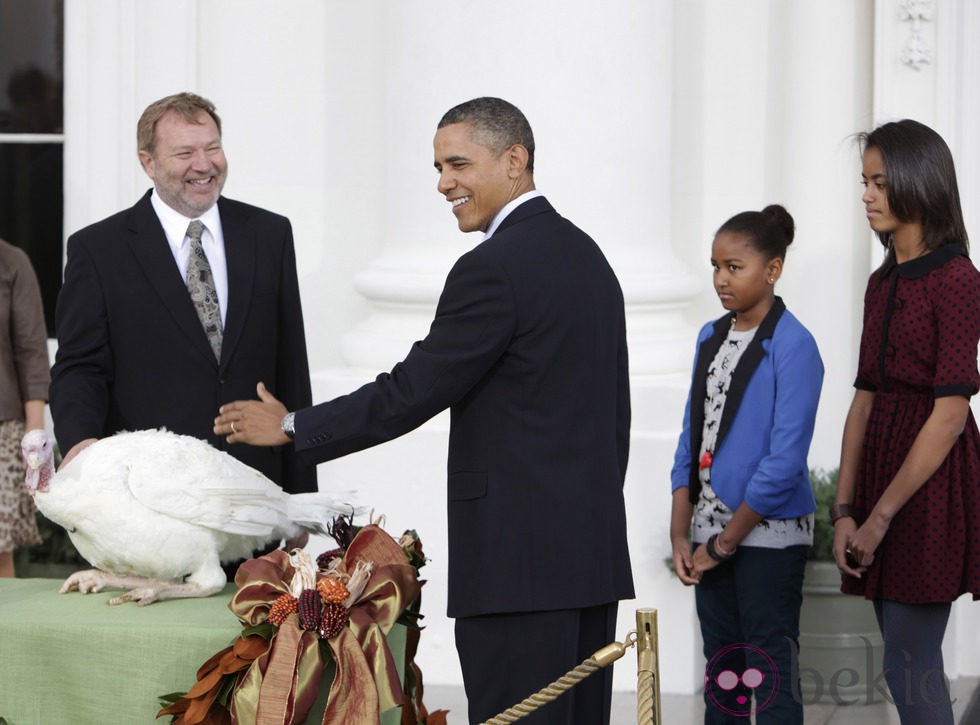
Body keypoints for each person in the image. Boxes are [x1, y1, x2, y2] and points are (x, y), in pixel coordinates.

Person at [215, 97, 634, 725]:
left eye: (458, 164)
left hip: (516, 568)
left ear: (514, 160)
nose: (444, 184)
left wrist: (294, 426)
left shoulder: (493, 267)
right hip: (585, 561)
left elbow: (411, 390)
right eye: (438, 167)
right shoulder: (588, 255)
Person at [49, 92, 315, 503]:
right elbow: (80, 367)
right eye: (185, 153)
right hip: (148, 499)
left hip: (256, 493)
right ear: (148, 162)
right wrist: (81, 446)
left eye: (213, 148)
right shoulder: (99, 250)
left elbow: (291, 366)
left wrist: (301, 494)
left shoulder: (269, 234)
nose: (204, 165)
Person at [832, 119, 980, 724]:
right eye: (864, 182)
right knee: (901, 661)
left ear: (920, 183)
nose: (866, 195)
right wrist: (845, 513)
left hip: (931, 483)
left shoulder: (958, 280)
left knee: (908, 661)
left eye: (880, 182)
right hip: (879, 476)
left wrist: (881, 516)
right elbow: (864, 400)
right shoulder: (881, 282)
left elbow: (949, 415)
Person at [669, 205, 823, 723]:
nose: (720, 279)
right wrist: (681, 533)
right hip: (711, 533)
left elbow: (784, 462)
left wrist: (724, 543)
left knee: (768, 663)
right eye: (715, 266)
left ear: (772, 270)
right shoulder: (710, 337)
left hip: (768, 534)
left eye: (734, 267)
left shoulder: (795, 345)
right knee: (724, 670)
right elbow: (691, 435)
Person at [0, 238, 49, 577]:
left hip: (2, 430)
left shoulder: (11, 262)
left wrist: (33, 442)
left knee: (0, 552)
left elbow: (32, 354)